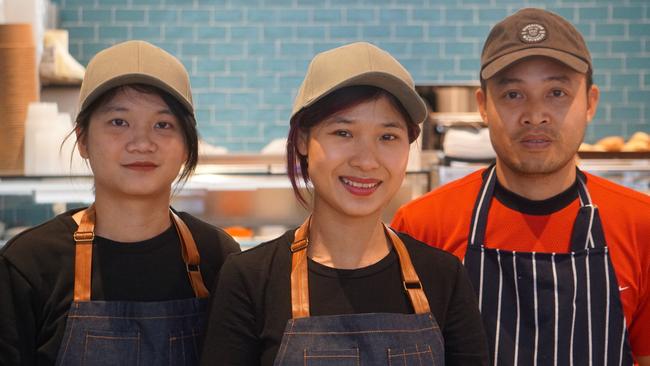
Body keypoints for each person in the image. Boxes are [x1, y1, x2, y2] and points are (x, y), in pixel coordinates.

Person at [200, 42, 488, 366]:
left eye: (387, 137)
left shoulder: (443, 276)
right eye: (343, 132)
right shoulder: (249, 279)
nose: (366, 161)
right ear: (303, 140)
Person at [392, 8, 650, 366]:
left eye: (557, 92)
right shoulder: (423, 226)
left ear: (590, 103)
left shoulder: (642, 226)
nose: (535, 115)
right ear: (483, 106)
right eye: (513, 94)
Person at [0, 40, 240, 365]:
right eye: (118, 122)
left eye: (163, 125)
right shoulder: (29, 263)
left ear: (187, 145)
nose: (142, 143)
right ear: (83, 139)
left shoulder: (217, 254)